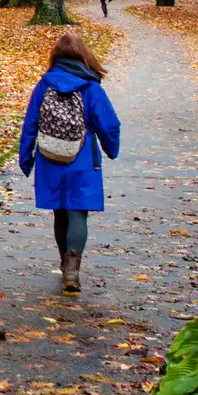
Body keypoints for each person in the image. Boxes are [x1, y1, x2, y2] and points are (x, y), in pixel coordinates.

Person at [17, 30, 122, 292]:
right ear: (83, 55)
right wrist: (111, 149)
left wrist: (25, 158)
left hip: (49, 157)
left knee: (59, 211)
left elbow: (31, 123)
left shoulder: (44, 84)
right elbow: (108, 125)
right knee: (78, 211)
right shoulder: (91, 87)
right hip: (82, 157)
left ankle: (64, 263)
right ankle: (73, 270)